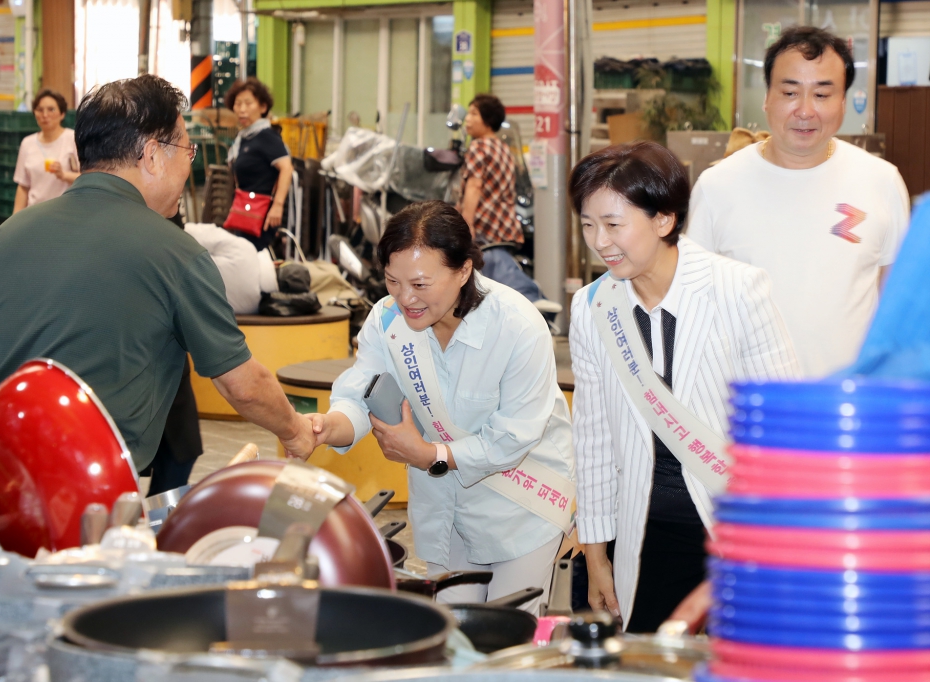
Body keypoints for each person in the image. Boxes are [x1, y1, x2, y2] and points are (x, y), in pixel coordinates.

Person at [0, 75, 316, 473]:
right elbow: (243, 385)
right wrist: (295, 431)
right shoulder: (177, 254)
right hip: (83, 500)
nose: (190, 161)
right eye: (188, 149)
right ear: (152, 155)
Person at [569, 142, 800, 632]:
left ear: (663, 219)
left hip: (733, 530)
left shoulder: (736, 289)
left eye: (614, 224)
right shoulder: (593, 308)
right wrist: (595, 555)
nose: (599, 241)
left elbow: (784, 429)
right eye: (588, 225)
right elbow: (592, 440)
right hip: (642, 532)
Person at [305, 200, 576, 614]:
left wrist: (428, 454)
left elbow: (513, 437)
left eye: (420, 284)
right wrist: (326, 427)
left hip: (523, 508)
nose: (404, 298)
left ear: (464, 270)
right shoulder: (387, 321)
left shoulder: (517, 326)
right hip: (444, 514)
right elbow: (363, 394)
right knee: (453, 637)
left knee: (505, 638)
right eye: (392, 281)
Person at [688, 26, 910, 378]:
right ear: (767, 98)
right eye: (790, 91)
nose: (805, 110)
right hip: (748, 407)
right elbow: (693, 307)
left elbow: (896, 308)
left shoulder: (880, 182)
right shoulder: (717, 187)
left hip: (846, 403)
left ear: (843, 101)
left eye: (822, 95)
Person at [457, 93, 547, 306]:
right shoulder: (504, 148)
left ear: (487, 119)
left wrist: (465, 223)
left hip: (484, 226)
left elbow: (474, 186)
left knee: (484, 284)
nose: (467, 119)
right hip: (505, 225)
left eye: (473, 114)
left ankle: (530, 300)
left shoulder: (479, 147)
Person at [225, 77, 293, 252]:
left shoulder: (267, 136)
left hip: (263, 216)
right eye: (238, 104)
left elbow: (286, 168)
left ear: (263, 107)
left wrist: (278, 206)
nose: (242, 109)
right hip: (245, 212)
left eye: (248, 103)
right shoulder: (244, 137)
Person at [13, 89, 80, 212]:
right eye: (39, 110)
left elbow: (86, 177)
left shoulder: (73, 139)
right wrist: (13, 221)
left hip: (65, 213)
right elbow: (23, 186)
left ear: (62, 114)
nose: (45, 115)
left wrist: (63, 175)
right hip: (34, 214)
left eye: (51, 109)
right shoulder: (27, 143)